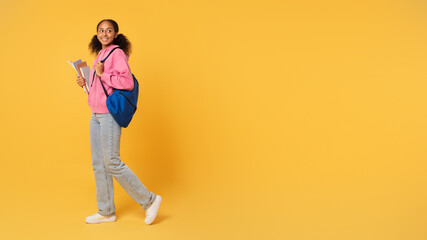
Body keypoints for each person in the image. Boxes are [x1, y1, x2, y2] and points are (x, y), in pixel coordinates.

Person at [76, 19, 162, 225]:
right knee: (99, 164)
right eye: (101, 30)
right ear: (96, 34)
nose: (104, 33)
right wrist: (84, 83)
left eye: (109, 30)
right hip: (95, 113)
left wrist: (103, 74)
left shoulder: (117, 53)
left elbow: (126, 82)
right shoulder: (100, 54)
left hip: (108, 114)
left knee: (112, 162)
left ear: (116, 34)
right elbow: (99, 87)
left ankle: (149, 201)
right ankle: (106, 211)